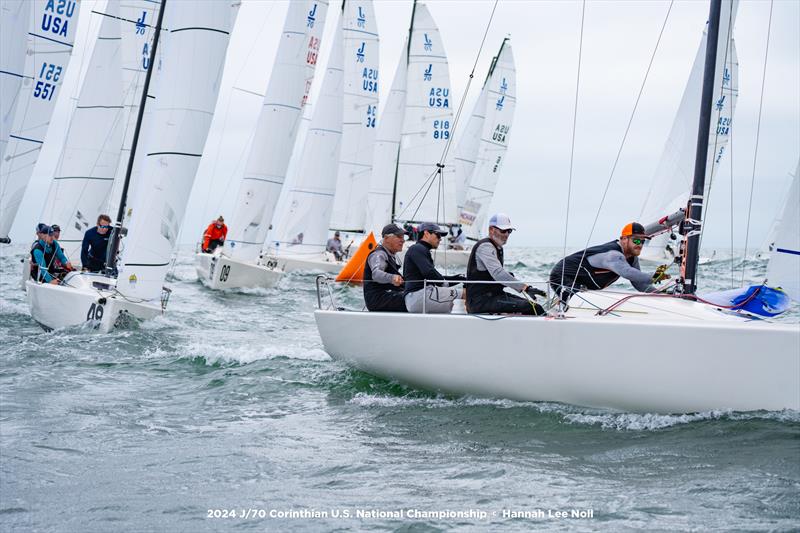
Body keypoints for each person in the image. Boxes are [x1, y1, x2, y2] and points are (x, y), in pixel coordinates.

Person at [549, 222, 670, 301]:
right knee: (581, 302)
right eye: (636, 241)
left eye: (643, 241)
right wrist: (654, 277)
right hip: (562, 276)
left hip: (582, 284)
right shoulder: (613, 255)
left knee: (587, 300)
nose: (640, 245)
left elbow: (639, 284)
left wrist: (661, 295)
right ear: (623, 239)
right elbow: (627, 272)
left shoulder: (632, 258)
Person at [466, 213, 545, 315]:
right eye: (503, 230)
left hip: (494, 296)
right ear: (491, 230)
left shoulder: (497, 247)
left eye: (509, 231)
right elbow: (498, 273)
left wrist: (509, 276)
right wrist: (525, 288)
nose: (507, 234)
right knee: (532, 308)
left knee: (535, 306)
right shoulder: (485, 247)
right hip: (481, 301)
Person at [403, 222, 466, 313]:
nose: (440, 239)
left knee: (451, 298)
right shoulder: (417, 248)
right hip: (419, 296)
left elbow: (434, 275)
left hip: (418, 297)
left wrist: (459, 279)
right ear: (426, 234)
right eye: (438, 235)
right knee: (465, 293)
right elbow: (429, 272)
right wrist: (445, 284)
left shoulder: (419, 249)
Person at [363, 224, 408, 312]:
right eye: (399, 237)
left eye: (403, 237)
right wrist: (392, 278)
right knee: (414, 299)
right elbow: (376, 274)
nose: (403, 240)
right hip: (378, 301)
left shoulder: (390, 255)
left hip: (387, 297)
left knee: (415, 296)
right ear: (386, 238)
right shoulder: (379, 254)